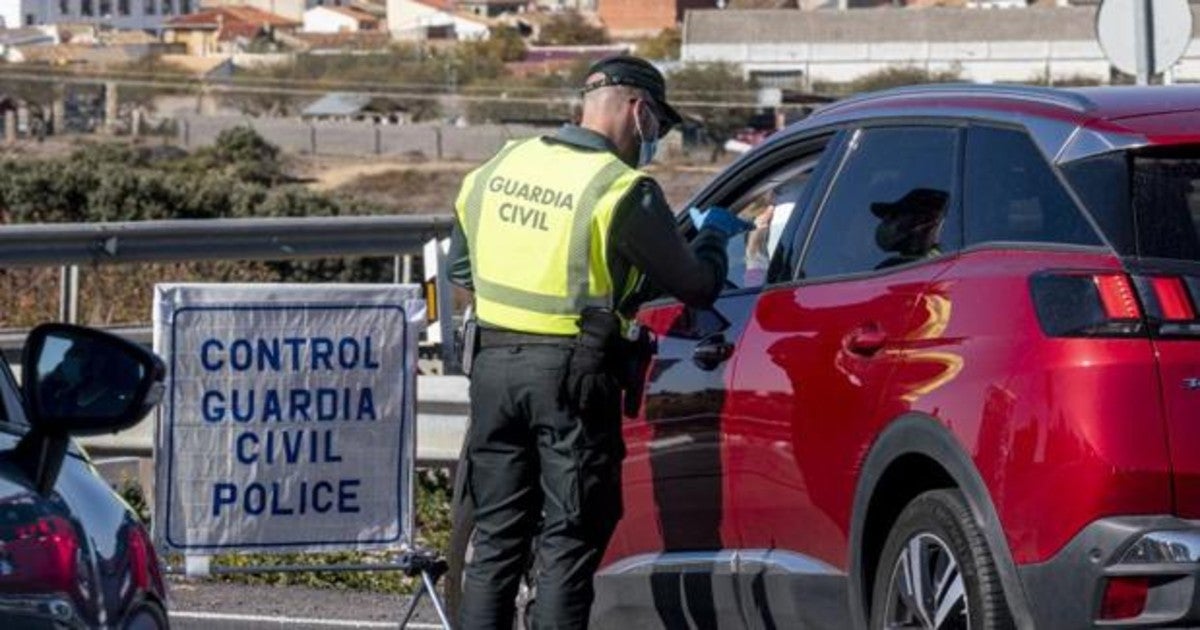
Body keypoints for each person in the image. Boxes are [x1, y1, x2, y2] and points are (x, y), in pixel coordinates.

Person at [448, 55, 745, 629]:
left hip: (490, 373)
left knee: (497, 542)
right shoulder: (621, 189)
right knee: (568, 541)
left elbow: (464, 269)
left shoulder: (499, 167)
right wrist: (712, 237)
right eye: (658, 123)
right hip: (571, 379)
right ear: (639, 111)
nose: (655, 137)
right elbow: (695, 285)